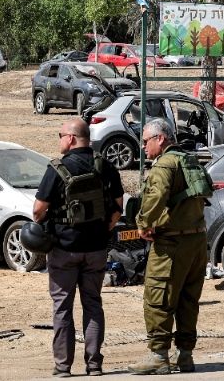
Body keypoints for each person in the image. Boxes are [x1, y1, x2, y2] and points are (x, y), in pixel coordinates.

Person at [33, 118, 124, 378]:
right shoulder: (105, 166)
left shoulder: (57, 168)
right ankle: (94, 365)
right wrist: (105, 228)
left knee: (63, 307)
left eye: (60, 135)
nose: (59, 139)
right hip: (96, 249)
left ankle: (63, 367)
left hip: (63, 249)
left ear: (71, 138)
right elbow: (118, 205)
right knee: (93, 304)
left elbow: (38, 211)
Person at [128, 118, 208, 375]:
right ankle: (184, 355)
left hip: (171, 245)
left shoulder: (164, 164)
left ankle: (159, 355)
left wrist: (143, 222)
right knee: (188, 299)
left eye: (145, 142)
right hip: (196, 242)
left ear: (160, 139)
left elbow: (156, 196)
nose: (143, 148)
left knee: (158, 297)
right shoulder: (189, 160)